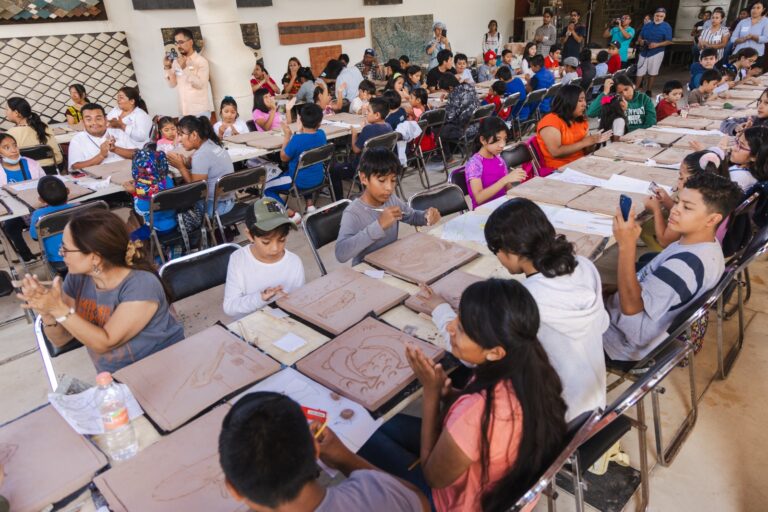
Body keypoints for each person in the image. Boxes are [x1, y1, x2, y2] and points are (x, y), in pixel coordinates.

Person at [359, 279, 567, 511]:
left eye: (461, 328)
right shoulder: (528, 369)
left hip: (452, 503)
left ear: (494, 352)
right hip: (494, 479)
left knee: (357, 437)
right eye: (458, 317)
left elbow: (433, 477)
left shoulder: (476, 412)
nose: (450, 327)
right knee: (374, 423)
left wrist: (431, 394)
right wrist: (449, 394)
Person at [484, 199, 609, 421]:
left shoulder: (525, 299)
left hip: (558, 416)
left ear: (510, 251)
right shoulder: (583, 266)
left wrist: (441, 311)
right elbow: (602, 325)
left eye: (496, 251)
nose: (498, 258)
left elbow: (484, 352)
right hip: (595, 400)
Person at [18, 209, 186, 372]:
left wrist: (57, 308)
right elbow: (61, 339)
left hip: (162, 370)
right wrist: (47, 313)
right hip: (116, 380)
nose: (61, 254)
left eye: (66, 249)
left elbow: (105, 342)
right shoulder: (78, 278)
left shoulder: (141, 284)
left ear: (95, 257)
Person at [603, 173, 743, 362]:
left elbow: (630, 307)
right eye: (677, 202)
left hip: (619, 341)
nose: (675, 210)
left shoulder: (687, 265)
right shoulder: (699, 243)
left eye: (687, 207)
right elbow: (643, 285)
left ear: (712, 220)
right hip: (626, 322)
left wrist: (626, 245)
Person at [219, 392, 429, 512]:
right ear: (316, 450)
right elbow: (417, 500)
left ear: (234, 490)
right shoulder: (374, 495)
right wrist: (345, 459)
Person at [335, 147, 439, 265]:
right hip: (367, 271)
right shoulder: (353, 212)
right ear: (364, 178)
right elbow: (341, 253)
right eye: (382, 180)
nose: (389, 188)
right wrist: (379, 226)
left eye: (393, 180)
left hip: (391, 262)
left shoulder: (391, 200)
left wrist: (426, 216)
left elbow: (412, 216)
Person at [222, 199, 305, 318]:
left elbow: (300, 301)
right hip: (250, 326)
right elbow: (230, 307)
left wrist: (289, 301)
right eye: (266, 242)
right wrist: (260, 298)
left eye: (282, 240)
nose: (275, 248)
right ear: (249, 235)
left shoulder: (294, 262)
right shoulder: (238, 259)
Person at [645, 149, 728, 248]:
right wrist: (667, 201)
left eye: (681, 177)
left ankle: (660, 259)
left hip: (681, 255)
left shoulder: (694, 204)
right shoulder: (718, 195)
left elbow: (665, 241)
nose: (678, 183)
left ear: (695, 180)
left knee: (644, 226)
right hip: (708, 248)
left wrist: (656, 210)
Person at [167, 115, 235, 216]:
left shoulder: (201, 155)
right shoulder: (212, 143)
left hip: (215, 207)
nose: (179, 140)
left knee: (175, 201)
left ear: (194, 135)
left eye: (181, 135)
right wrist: (188, 163)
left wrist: (181, 167)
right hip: (229, 200)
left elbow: (197, 191)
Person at [269, 103, 327, 218]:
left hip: (298, 181)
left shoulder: (296, 139)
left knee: (266, 188)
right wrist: (301, 130)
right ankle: (310, 206)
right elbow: (309, 139)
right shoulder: (322, 135)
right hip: (318, 178)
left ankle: (290, 213)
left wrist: (287, 136)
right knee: (307, 166)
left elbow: (283, 157)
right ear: (320, 122)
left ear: (300, 119)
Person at [537, 85, 612, 169]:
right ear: (568, 101)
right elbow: (556, 152)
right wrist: (584, 143)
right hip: (559, 169)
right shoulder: (550, 121)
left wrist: (593, 141)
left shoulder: (580, 119)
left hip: (582, 163)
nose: (584, 104)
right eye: (580, 100)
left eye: (584, 100)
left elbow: (586, 150)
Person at [330, 98, 392, 200]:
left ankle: (339, 200)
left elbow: (356, 150)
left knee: (334, 169)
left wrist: (354, 135)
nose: (366, 113)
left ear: (377, 115)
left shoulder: (368, 129)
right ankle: (363, 190)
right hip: (381, 165)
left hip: (363, 168)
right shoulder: (388, 126)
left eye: (368, 111)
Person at [0, 133, 45, 262]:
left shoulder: (31, 164)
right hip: (15, 212)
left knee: (47, 219)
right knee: (10, 227)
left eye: (15, 145)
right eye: (6, 147)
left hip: (37, 206)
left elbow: (45, 183)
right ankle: (27, 256)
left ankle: (48, 252)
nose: (13, 150)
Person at [465, 117, 527, 209]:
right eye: (497, 140)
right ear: (483, 140)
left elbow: (507, 187)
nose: (502, 145)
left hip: (502, 207)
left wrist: (519, 195)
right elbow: (479, 198)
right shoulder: (475, 164)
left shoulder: (499, 159)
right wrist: (505, 180)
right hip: (484, 212)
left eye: (504, 139)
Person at [121, 148, 177, 236]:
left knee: (131, 238)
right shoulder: (167, 179)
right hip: (175, 222)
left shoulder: (143, 188)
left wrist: (134, 192)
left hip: (156, 228)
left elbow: (141, 210)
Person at [68, 103, 135, 173]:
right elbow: (75, 166)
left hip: (127, 172)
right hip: (98, 178)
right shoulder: (77, 139)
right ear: (83, 122)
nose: (94, 123)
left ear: (105, 119)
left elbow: (137, 154)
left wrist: (115, 149)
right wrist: (101, 155)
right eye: (88, 119)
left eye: (98, 118)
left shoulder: (118, 132)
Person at [163, 28, 213, 116]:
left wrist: (184, 67)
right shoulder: (176, 62)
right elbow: (172, 84)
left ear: (190, 42)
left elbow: (200, 84)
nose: (178, 46)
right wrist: (167, 67)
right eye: (176, 43)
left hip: (199, 112)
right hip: (183, 112)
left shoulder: (201, 61)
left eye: (181, 42)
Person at [30, 176, 74, 270]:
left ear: (41, 200)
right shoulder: (79, 207)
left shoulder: (39, 215)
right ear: (68, 191)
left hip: (57, 259)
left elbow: (35, 236)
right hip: (84, 252)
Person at [5, 97, 63, 169]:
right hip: (54, 167)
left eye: (7, 109)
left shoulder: (11, 133)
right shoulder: (44, 126)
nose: (5, 112)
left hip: (30, 171)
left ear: (16, 113)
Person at [587, 74, 656, 132]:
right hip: (620, 140)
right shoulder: (612, 100)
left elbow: (651, 124)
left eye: (626, 89)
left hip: (641, 136)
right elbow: (590, 113)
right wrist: (604, 93)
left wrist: (625, 129)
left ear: (632, 86)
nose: (625, 94)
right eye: (620, 92)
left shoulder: (644, 99)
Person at [635, 8, 673, 93]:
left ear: (664, 16)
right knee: (639, 71)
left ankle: (649, 90)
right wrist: (641, 41)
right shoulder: (647, 25)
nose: (658, 18)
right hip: (644, 52)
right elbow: (640, 36)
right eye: (657, 16)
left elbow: (669, 41)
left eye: (661, 16)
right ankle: (636, 89)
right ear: (654, 15)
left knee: (652, 73)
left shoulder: (667, 26)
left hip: (657, 53)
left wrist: (657, 45)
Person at [439, 74, 481, 145]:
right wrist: (449, 96)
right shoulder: (469, 86)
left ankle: (446, 154)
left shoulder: (454, 94)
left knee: (438, 130)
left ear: (450, 87)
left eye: (446, 90)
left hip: (465, 130)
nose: (446, 92)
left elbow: (450, 117)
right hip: (477, 126)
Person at [728, 126, 768, 190]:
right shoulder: (751, 171)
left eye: (741, 146)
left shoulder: (740, 178)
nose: (733, 148)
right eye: (737, 141)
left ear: (754, 157)